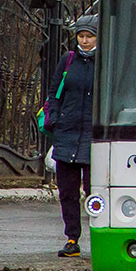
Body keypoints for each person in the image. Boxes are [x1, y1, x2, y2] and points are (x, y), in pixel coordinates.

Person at [46, 14, 97, 256]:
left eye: (90, 36)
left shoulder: (105, 63)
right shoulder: (68, 60)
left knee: (93, 190)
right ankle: (72, 239)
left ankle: (99, 237)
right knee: (67, 191)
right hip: (66, 134)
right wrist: (55, 118)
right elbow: (54, 92)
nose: (85, 41)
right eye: (81, 36)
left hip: (92, 136)